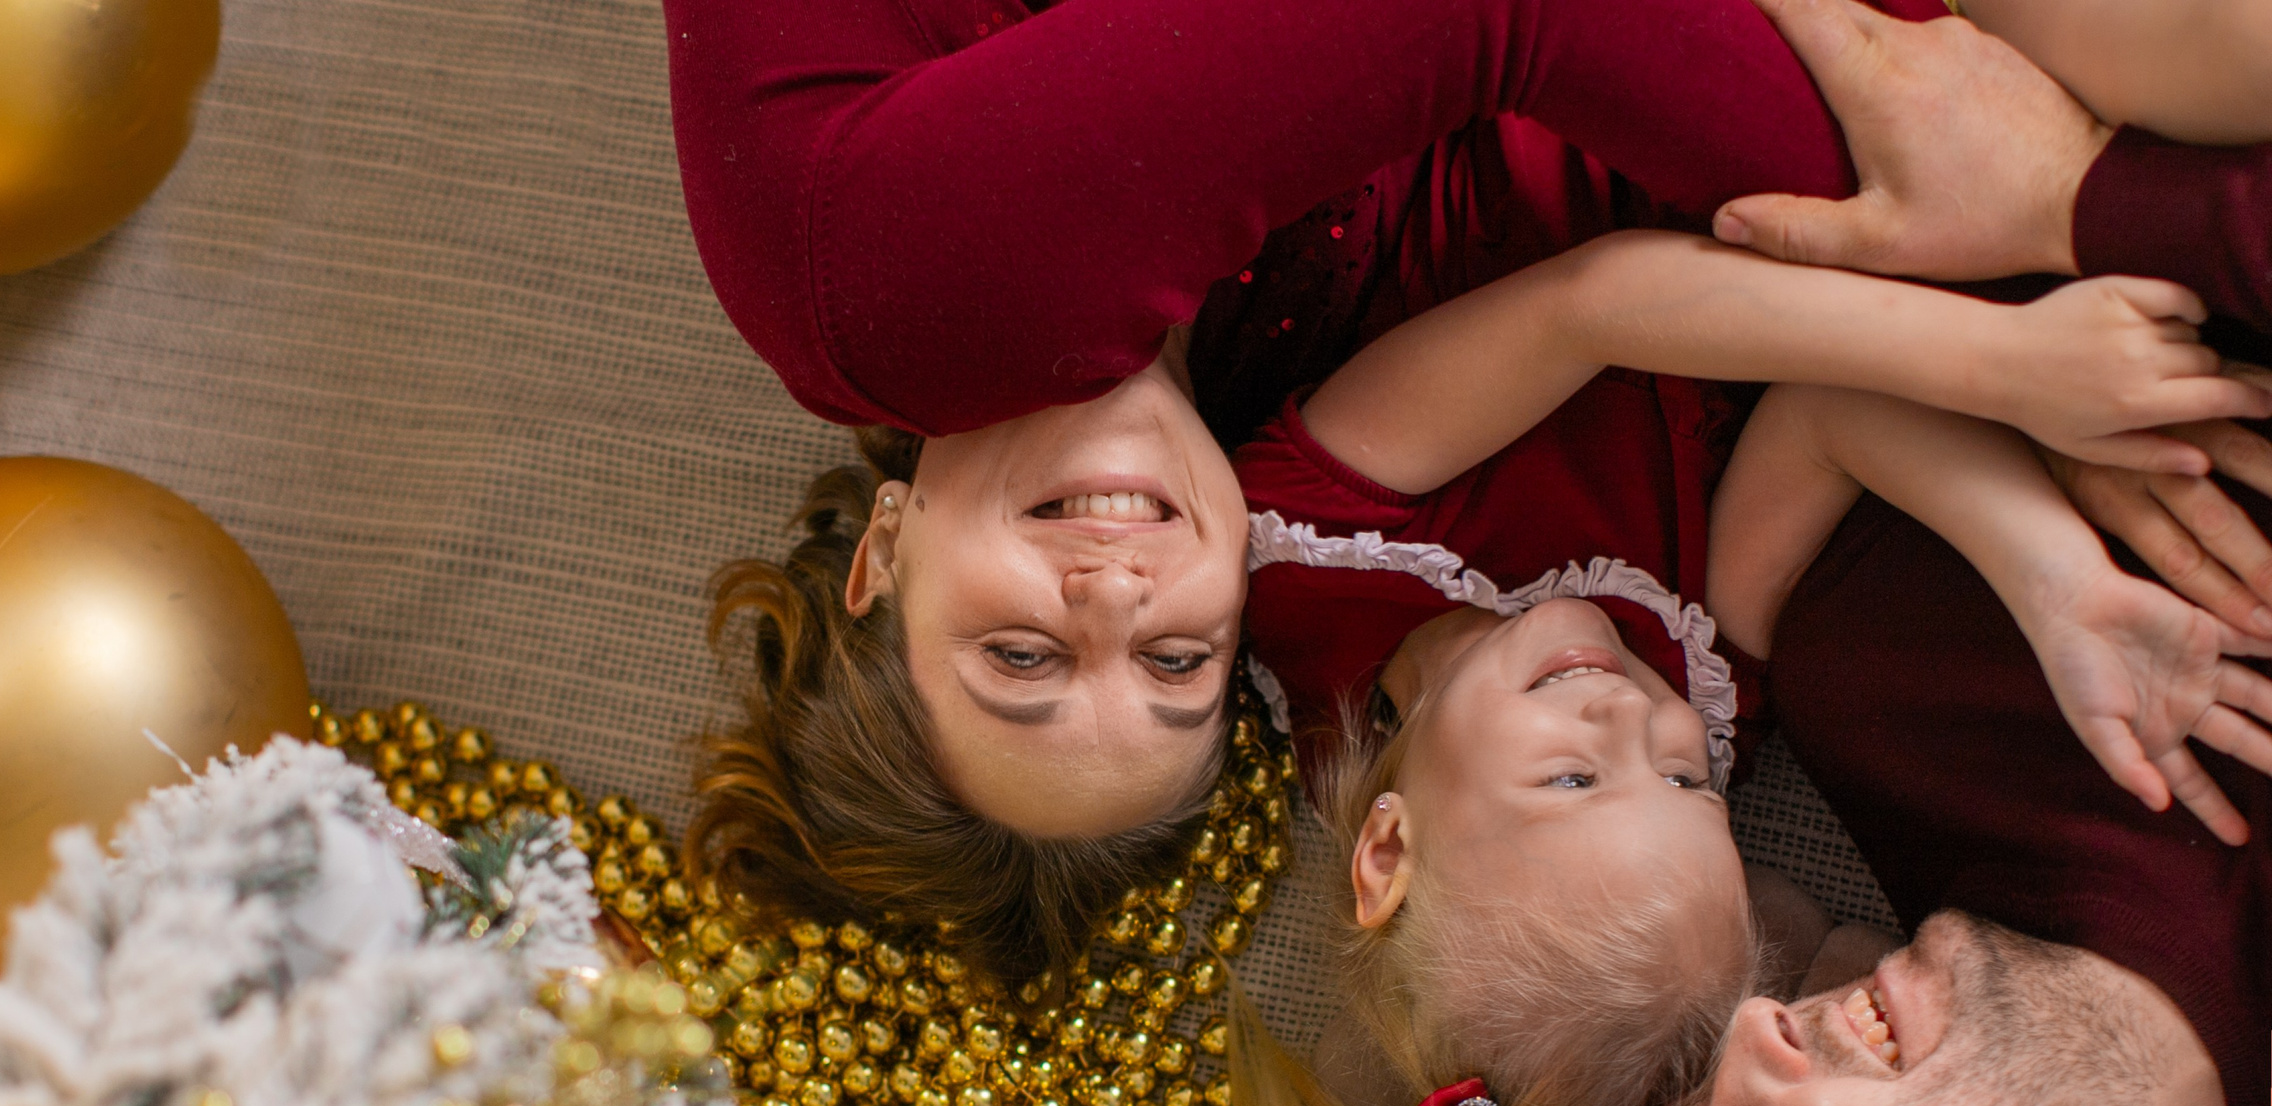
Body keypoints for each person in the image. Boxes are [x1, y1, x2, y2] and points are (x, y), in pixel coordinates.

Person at [667, 0, 2272, 980]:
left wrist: (2059, 245)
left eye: (1019, 656)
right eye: (1174, 666)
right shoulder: (1227, 369)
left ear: (883, 555)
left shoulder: (913, 313)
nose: (1120, 598)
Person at [1223, 205, 2269, 1106]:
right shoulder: (1717, 678)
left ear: (1385, 846)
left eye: (1574, 780)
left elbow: (1603, 306)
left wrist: (2023, 426)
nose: (1631, 714)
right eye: (1688, 783)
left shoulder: (1308, 566)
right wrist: (2045, 566)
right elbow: (1827, 418)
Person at [1623, 0, 2272, 1106]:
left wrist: (2043, 558)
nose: (1760, 1032)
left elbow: (1826, 417)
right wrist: (2082, 200)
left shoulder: (1872, 727)